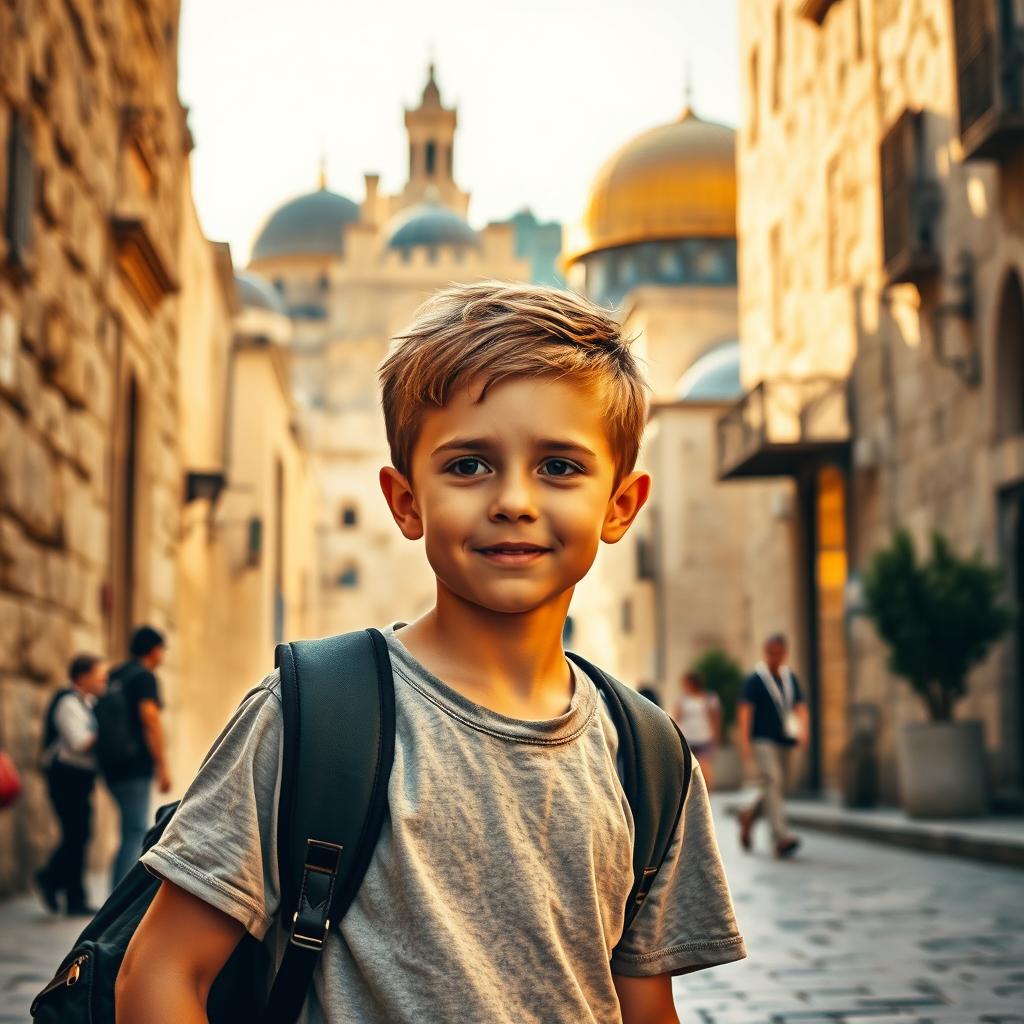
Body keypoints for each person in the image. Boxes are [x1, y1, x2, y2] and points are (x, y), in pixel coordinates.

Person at [117, 282, 746, 1023]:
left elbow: (645, 1008)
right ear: (406, 500)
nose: (514, 499)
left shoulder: (646, 755)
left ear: (620, 505)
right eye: (469, 465)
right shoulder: (312, 713)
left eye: (560, 467)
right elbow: (161, 974)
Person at [35, 654, 108, 916]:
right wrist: (109, 733)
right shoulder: (67, 702)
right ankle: (57, 884)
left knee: (80, 834)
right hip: (65, 776)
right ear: (83, 677)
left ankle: (63, 888)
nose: (103, 681)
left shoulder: (88, 703)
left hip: (80, 777)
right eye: (99, 676)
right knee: (76, 834)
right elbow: (78, 743)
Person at [105, 625, 171, 886]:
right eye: (162, 649)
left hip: (112, 765)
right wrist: (162, 766)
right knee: (134, 832)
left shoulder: (116, 674)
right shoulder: (144, 677)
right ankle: (118, 895)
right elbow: (150, 719)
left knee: (127, 831)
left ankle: (115, 890)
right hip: (135, 766)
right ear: (154, 650)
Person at [736, 633, 809, 858]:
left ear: (785, 653)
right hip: (762, 740)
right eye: (771, 652)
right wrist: (745, 742)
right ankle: (780, 836)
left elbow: (800, 707)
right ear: (765, 653)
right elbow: (745, 711)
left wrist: (803, 732)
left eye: (779, 652)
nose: (775, 657)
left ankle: (749, 816)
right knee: (773, 781)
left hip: (785, 740)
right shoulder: (756, 679)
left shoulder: (790, 679)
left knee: (776, 786)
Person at [672, 670, 721, 792]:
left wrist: (715, 737)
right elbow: (677, 717)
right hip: (687, 738)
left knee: (705, 768)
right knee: (687, 770)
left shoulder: (709, 698)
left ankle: (707, 794)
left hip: (704, 737)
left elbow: (715, 719)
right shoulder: (682, 699)